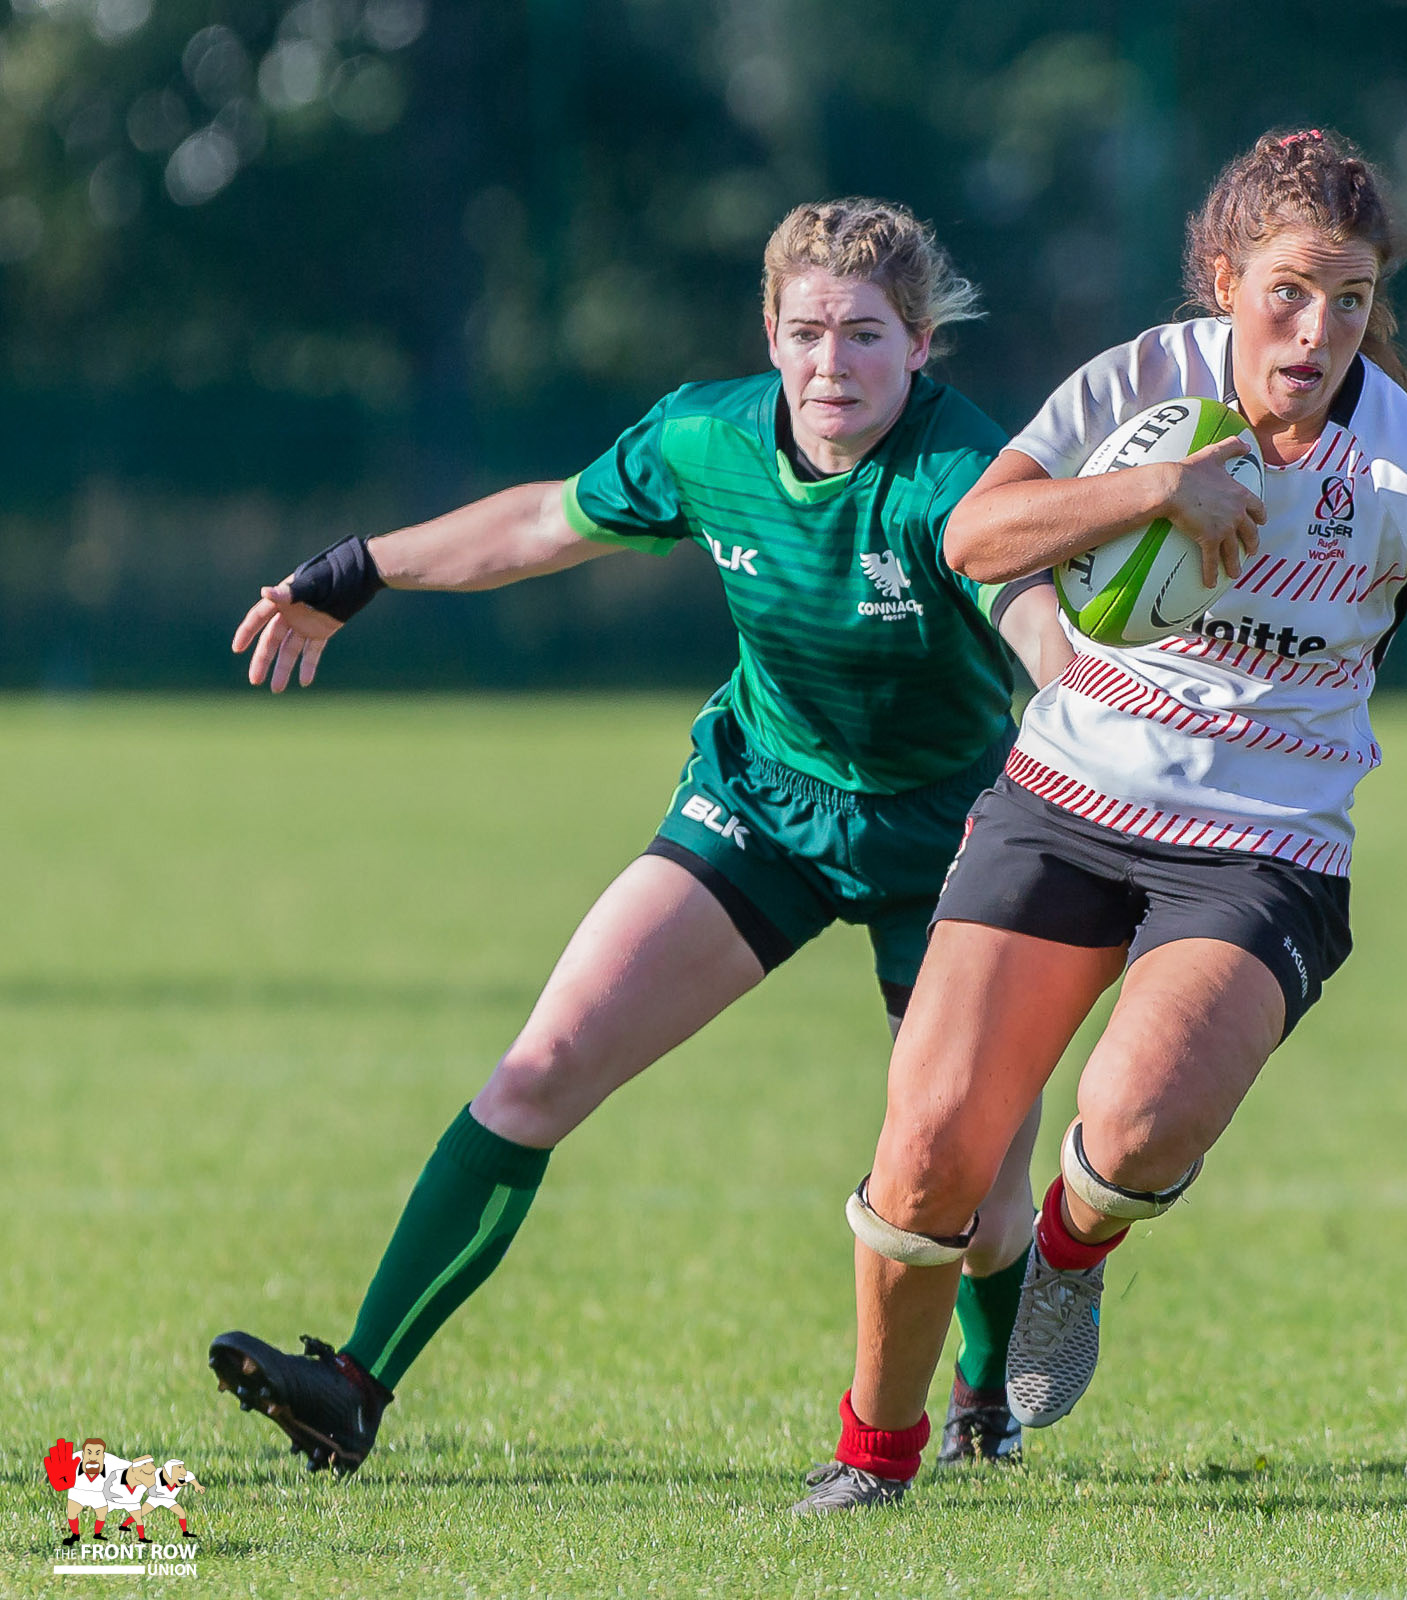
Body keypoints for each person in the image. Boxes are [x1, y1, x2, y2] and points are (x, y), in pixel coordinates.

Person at [793, 129, 1407, 1511]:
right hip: (1062, 802)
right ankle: (872, 1459)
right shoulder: (1139, 385)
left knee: (1138, 1123)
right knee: (926, 1156)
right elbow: (972, 540)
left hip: (1261, 852)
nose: (1318, 330)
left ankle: (1071, 1252)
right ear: (1224, 281)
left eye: (1349, 298)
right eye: (1289, 292)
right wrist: (1158, 487)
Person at [207, 198, 1073, 1477]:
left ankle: (982, 1399)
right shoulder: (704, 436)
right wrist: (359, 569)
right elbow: (540, 523)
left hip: (951, 834)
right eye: (806, 332)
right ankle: (352, 1387)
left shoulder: (962, 471)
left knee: (984, 1200)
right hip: (762, 803)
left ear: (920, 345)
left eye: (863, 334)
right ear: (768, 336)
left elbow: (1031, 616)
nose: (831, 364)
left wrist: (1096, 708)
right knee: (539, 1068)